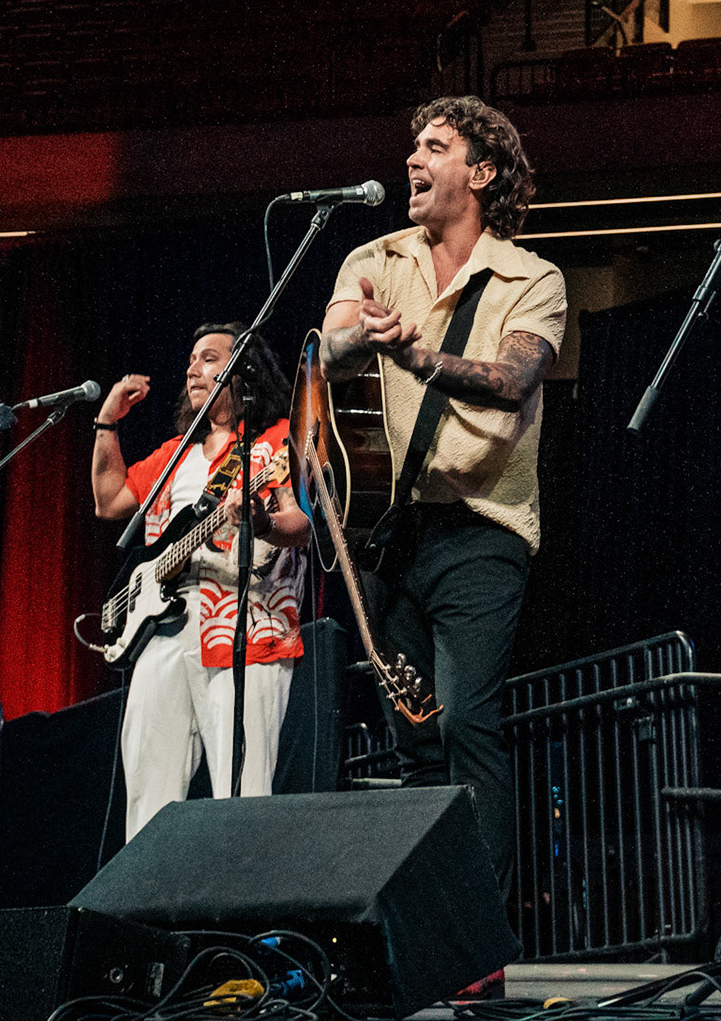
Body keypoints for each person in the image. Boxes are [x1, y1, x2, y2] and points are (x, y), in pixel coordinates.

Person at [322, 95, 565, 897]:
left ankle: (482, 933)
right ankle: (427, 925)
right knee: (414, 737)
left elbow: (515, 378)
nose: (413, 159)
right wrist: (360, 334)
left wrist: (418, 356)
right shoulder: (374, 258)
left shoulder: (532, 277)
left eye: (435, 147)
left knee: (465, 722)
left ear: (482, 172)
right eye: (414, 145)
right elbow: (329, 346)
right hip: (387, 531)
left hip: (482, 526)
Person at [92, 323, 312, 839]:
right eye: (191, 360)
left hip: (244, 626)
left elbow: (302, 524)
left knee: (242, 795)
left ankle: (242, 892)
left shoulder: (277, 440)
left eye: (210, 359)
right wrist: (106, 422)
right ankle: (148, 891)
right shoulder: (174, 454)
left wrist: (261, 523)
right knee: (148, 791)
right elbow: (109, 499)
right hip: (163, 631)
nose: (193, 369)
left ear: (244, 372)